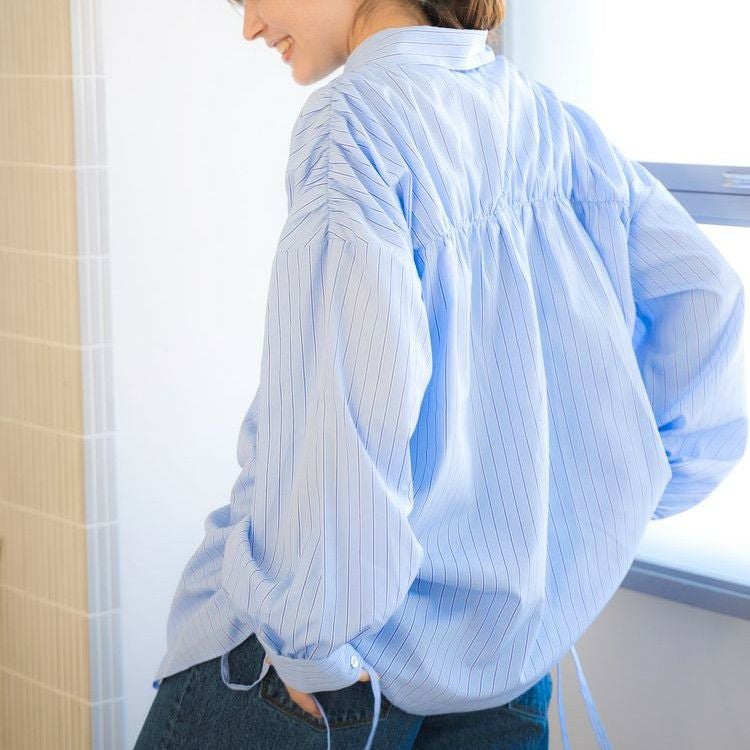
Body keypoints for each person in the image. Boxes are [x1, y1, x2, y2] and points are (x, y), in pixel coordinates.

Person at [135, 1, 748, 749]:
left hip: (332, 675)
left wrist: (307, 648)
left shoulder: (354, 125)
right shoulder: (544, 120)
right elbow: (706, 300)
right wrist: (621, 497)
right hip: (504, 670)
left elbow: (350, 404)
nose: (249, 24)